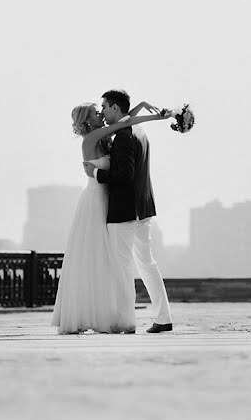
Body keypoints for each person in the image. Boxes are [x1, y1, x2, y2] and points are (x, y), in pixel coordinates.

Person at [51, 100, 170, 334]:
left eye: (102, 109)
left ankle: (108, 314)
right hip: (96, 202)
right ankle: (106, 315)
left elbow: (124, 120)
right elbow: (127, 121)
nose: (101, 114)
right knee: (99, 259)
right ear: (88, 121)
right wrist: (157, 118)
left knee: (107, 261)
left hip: (109, 201)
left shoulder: (101, 135)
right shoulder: (92, 139)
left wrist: (141, 105)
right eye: (97, 113)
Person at [83, 89, 173, 333]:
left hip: (124, 211)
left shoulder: (123, 135)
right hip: (143, 208)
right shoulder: (140, 132)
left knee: (121, 266)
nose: (102, 111)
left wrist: (96, 173)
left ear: (114, 107)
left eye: (104, 106)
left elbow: (124, 176)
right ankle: (163, 318)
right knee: (147, 264)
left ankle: (125, 321)